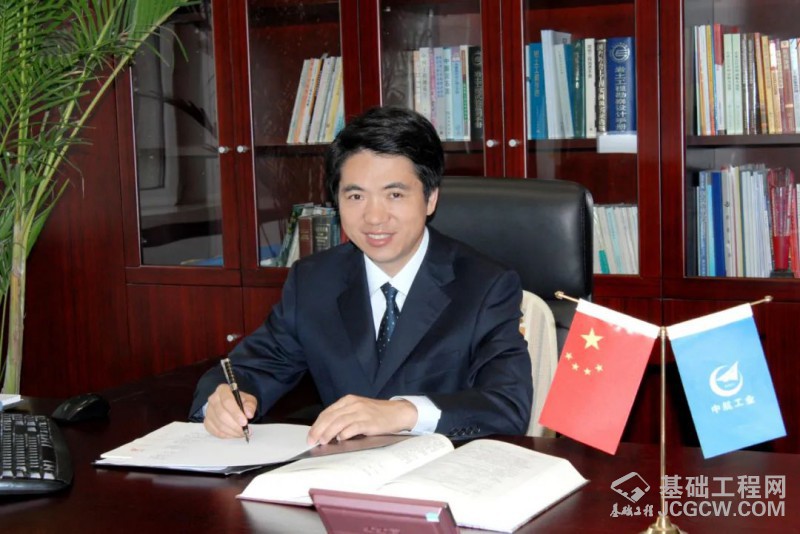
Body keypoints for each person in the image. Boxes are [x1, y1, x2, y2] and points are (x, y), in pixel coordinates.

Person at [190, 106, 532, 444]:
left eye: (394, 194)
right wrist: (222, 401)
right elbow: (247, 370)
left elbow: (506, 406)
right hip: (341, 469)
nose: (374, 217)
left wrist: (402, 413)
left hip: (445, 470)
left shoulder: (485, 285)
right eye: (355, 196)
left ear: (430, 199)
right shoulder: (313, 281)